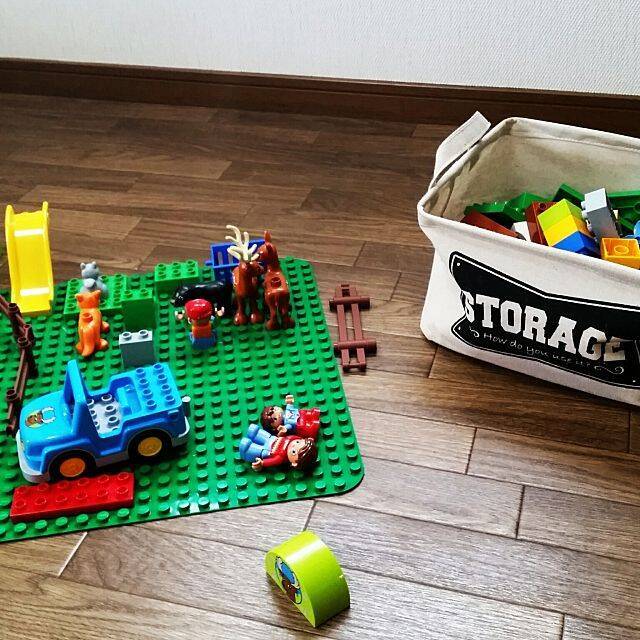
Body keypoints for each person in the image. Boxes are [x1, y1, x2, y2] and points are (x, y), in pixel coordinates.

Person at [238, 423, 317, 471]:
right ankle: (254, 433)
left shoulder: (281, 457)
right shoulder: (293, 438)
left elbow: (273, 461)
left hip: (267, 450)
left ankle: (247, 448)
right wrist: (282, 432)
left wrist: (262, 463)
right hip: (271, 438)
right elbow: (283, 437)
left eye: (294, 452)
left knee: (249, 447)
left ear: (294, 463)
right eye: (298, 442)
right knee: (255, 431)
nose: (294, 444)